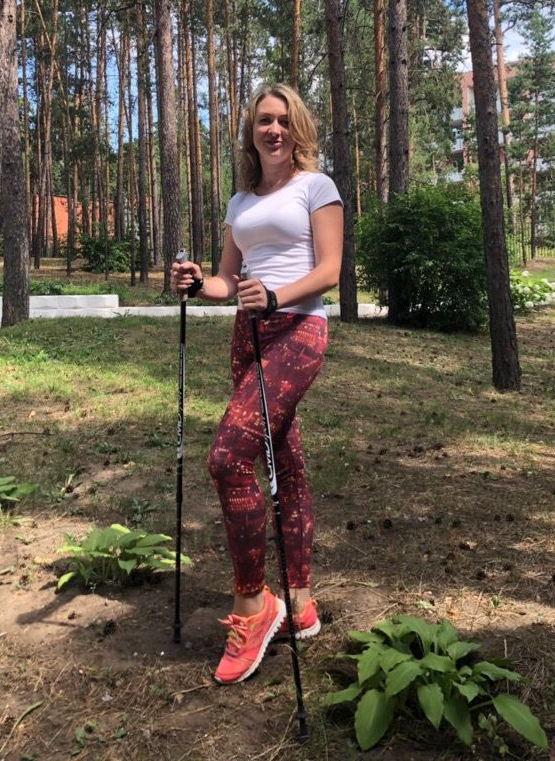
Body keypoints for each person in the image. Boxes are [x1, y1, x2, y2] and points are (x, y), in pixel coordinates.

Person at [171, 82, 343, 685]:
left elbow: (330, 270)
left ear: (298, 129)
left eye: (283, 120)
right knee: (285, 463)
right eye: (264, 120)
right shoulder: (241, 200)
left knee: (227, 458)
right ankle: (300, 603)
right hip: (248, 336)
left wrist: (275, 295)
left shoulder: (316, 187)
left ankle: (253, 604)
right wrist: (199, 283)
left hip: (298, 330)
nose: (273, 129)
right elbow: (228, 279)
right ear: (251, 131)